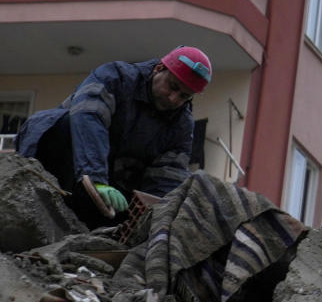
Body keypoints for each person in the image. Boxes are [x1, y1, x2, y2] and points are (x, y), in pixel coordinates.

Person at [16, 46, 212, 224]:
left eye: (184, 96)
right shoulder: (115, 77)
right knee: (70, 124)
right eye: (173, 86)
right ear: (158, 68)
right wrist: (95, 178)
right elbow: (89, 119)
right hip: (58, 157)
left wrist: (154, 217)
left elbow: (168, 176)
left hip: (110, 183)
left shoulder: (181, 126)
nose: (173, 98)